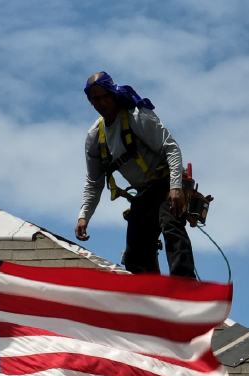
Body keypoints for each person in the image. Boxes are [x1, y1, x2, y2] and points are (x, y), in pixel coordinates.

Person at [75, 71, 196, 278]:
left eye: (106, 96)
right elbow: (94, 182)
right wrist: (84, 216)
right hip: (144, 193)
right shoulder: (95, 136)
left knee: (171, 225)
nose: (103, 102)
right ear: (90, 101)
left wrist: (176, 187)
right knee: (135, 254)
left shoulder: (136, 116)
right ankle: (148, 295)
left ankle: (184, 285)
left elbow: (171, 148)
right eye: (96, 99)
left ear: (113, 94)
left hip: (167, 183)